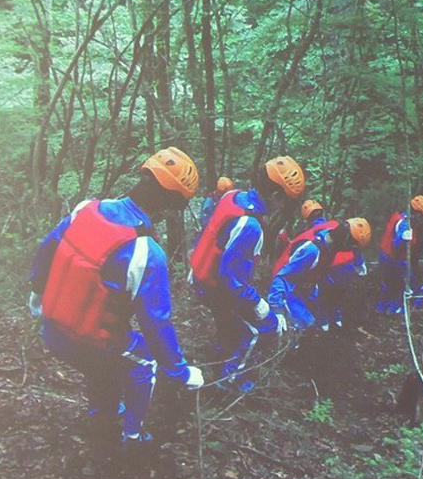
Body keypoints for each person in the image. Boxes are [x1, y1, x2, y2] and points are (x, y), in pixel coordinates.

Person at [26, 146, 204, 455]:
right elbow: (157, 324)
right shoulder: (146, 252)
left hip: (52, 330)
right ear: (170, 202)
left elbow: (48, 246)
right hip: (85, 340)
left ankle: (102, 417)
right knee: (144, 360)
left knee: (104, 365)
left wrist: (36, 291)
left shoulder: (87, 208)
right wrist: (181, 372)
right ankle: (132, 440)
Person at [188, 156, 305, 393]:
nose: (283, 207)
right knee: (261, 328)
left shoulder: (235, 196)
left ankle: (220, 360)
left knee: (229, 325)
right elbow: (228, 276)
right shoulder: (250, 226)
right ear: (275, 196)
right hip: (213, 285)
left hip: (201, 275)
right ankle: (231, 381)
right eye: (285, 202)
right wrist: (258, 304)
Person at [268, 218, 371, 333]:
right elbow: (282, 277)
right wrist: (277, 307)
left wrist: (359, 261)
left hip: (304, 283)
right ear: (345, 241)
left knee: (316, 318)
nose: (351, 250)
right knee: (307, 324)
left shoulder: (332, 240)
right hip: (285, 288)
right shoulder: (312, 251)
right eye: (352, 247)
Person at [376, 195, 423, 314]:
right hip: (395, 258)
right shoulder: (405, 224)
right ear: (417, 213)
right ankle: (394, 309)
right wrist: (404, 238)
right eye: (422, 216)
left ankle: (381, 307)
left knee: (387, 281)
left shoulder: (399, 215)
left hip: (385, 254)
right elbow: (396, 244)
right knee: (400, 283)